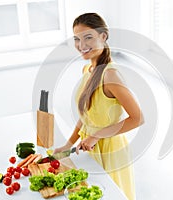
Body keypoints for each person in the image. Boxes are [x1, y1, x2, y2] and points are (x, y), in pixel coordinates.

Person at [53, 13, 144, 200]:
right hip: (91, 147)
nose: (81, 45)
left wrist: (96, 135)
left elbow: (138, 118)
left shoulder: (111, 75)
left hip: (111, 151)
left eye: (88, 37)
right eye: (77, 39)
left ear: (103, 36)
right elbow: (87, 116)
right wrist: (68, 144)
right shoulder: (88, 69)